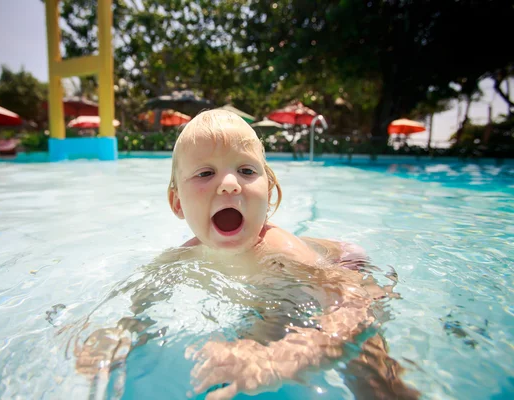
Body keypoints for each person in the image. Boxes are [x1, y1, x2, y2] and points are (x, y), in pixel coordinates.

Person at [70, 110, 419, 400]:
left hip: (341, 263)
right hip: (278, 295)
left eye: (247, 171)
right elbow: (143, 300)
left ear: (270, 193)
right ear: (177, 203)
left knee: (370, 372)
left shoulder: (281, 251)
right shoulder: (182, 258)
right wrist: (121, 333)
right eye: (206, 173)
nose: (229, 184)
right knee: (242, 352)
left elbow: (353, 308)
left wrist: (280, 360)